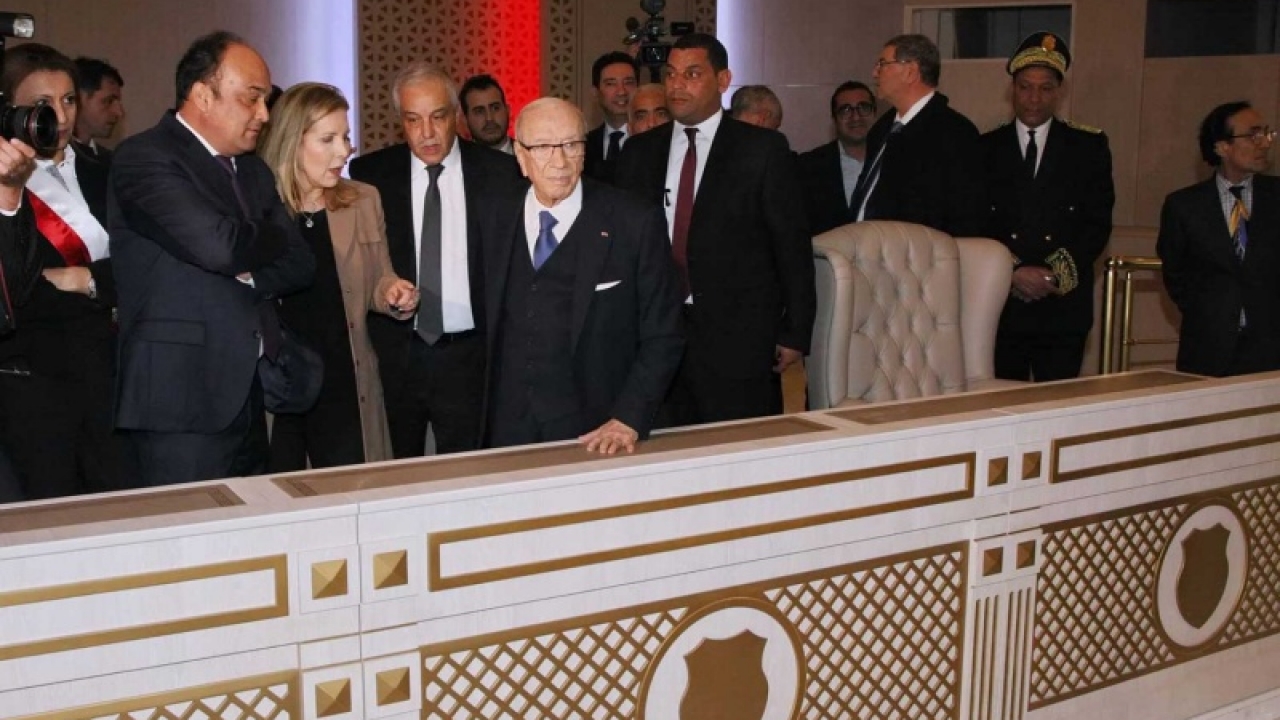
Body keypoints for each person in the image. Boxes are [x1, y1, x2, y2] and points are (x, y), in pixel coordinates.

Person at [109, 31, 315, 485]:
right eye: (251, 99)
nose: (264, 114)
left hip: (249, 390)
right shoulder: (145, 157)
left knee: (252, 526)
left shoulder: (254, 169)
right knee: (185, 527)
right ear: (203, 95)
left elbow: (301, 262)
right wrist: (265, 236)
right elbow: (219, 247)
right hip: (178, 399)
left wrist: (249, 271)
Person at [616, 33, 814, 426]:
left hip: (739, 336)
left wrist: (795, 332)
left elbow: (791, 246)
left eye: (691, 74)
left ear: (723, 80)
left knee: (739, 446)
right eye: (671, 74)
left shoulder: (761, 149)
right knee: (665, 445)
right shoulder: (640, 152)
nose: (677, 85)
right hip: (658, 332)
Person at [481, 97, 682, 453]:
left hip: (595, 429)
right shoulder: (492, 215)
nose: (560, 162)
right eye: (543, 147)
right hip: (507, 426)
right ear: (520, 155)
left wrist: (629, 417)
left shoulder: (633, 222)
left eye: (571, 145)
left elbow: (665, 332)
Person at [349, 63, 522, 457]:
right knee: (396, 473)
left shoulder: (500, 173)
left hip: (471, 357)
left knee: (467, 474)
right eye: (413, 120)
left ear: (456, 115)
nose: (426, 132)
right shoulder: (370, 175)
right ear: (400, 121)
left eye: (438, 117)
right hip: (397, 353)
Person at [257, 83, 418, 471]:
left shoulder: (363, 200)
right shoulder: (258, 207)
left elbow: (380, 279)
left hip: (347, 380)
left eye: (345, 137)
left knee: (354, 492)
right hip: (280, 383)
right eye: (328, 139)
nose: (344, 151)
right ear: (293, 141)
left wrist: (394, 293)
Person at [0, 43, 122, 499]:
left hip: (109, 370)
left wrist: (86, 280)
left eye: (68, 99)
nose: (61, 115)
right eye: (43, 103)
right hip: (35, 383)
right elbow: (18, 290)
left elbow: (142, 265)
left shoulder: (108, 168)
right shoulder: (5, 182)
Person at [982, 32, 1114, 382]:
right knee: (1002, 401)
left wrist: (1052, 275)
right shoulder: (985, 148)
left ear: (1059, 92)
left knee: (1058, 403)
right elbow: (977, 222)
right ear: (1012, 89)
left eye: (1045, 88)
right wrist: (1013, 272)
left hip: (1062, 306)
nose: (1034, 98)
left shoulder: (1088, 147)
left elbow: (1096, 222)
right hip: (1002, 304)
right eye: (1025, 87)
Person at [1157, 101, 1280, 377]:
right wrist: (1211, 312)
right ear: (1222, 147)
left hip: (1271, 349)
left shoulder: (1275, 197)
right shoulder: (1184, 206)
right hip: (1208, 349)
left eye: (1267, 133)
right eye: (1253, 135)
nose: (1264, 143)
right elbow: (1175, 275)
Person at [852, 34, 986, 237]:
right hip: (866, 247)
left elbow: (965, 215)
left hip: (918, 252)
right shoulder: (882, 128)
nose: (874, 73)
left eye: (883, 64)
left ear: (910, 72)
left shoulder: (954, 133)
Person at [798, 81, 876, 235]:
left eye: (863, 108)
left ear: (874, 114)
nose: (856, 117)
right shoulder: (808, 166)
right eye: (845, 110)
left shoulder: (893, 161)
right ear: (834, 119)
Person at [583, 52, 637, 183]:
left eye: (628, 83)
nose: (621, 91)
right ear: (595, 92)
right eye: (611, 84)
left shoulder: (652, 140)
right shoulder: (584, 145)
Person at [71, 56, 124, 162]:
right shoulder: (50, 160)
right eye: (108, 101)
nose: (119, 113)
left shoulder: (111, 162)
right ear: (79, 98)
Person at [460, 74, 513, 154]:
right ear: (465, 119)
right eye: (479, 111)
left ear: (507, 110)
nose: (489, 118)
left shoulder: (530, 156)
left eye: (495, 108)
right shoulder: (458, 159)